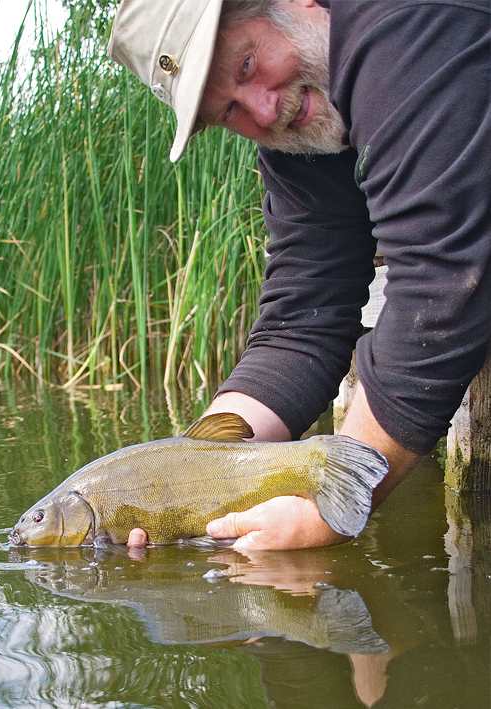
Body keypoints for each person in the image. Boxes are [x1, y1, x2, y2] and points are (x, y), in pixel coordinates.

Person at [108, 0, 491, 549]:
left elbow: (444, 283)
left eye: (245, 65)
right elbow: (301, 322)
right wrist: (189, 468)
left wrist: (326, 510)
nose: (263, 111)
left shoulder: (401, 22)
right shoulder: (297, 130)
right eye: (229, 113)